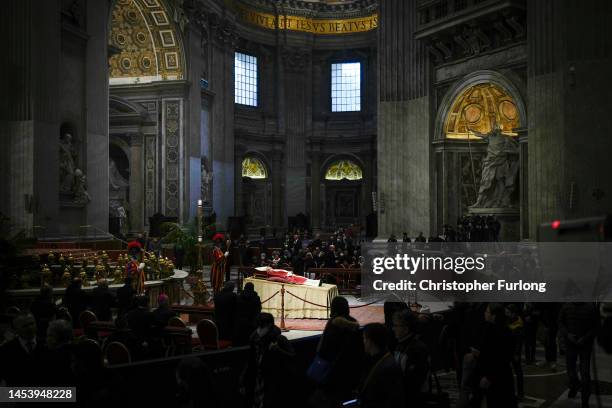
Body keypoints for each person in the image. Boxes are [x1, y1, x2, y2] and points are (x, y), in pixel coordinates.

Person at [309, 297, 363, 407]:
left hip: (331, 372)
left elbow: (324, 349)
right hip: (349, 372)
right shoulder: (354, 324)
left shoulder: (333, 324)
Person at [242, 313, 297, 408]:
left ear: (268, 326)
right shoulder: (254, 338)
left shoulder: (279, 339)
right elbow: (250, 360)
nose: (259, 330)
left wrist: (278, 350)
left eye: (261, 326)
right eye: (258, 326)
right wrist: (243, 379)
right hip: (258, 378)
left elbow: (293, 356)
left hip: (274, 379)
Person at [474, 303, 517, 408]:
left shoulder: (494, 332)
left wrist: (488, 376)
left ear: (494, 316)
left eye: (487, 312)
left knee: (497, 402)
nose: (485, 313)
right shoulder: (502, 330)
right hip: (502, 375)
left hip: (496, 377)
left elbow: (498, 358)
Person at [559, 302, 600, 408]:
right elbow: (560, 322)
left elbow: (596, 326)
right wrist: (568, 335)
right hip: (571, 343)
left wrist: (585, 338)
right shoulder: (566, 306)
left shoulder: (591, 307)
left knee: (585, 373)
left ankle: (585, 399)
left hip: (585, 345)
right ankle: (574, 386)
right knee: (571, 370)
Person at [359, 323, 406, 408]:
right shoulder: (381, 359)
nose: (363, 342)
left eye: (364, 338)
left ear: (370, 341)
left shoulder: (387, 368)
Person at [391, 310, 429, 404]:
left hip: (413, 400)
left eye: (396, 326)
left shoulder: (417, 349)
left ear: (406, 328)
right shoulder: (400, 345)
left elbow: (414, 383)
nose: (393, 329)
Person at [0, 314, 42, 386]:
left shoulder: (47, 344)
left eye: (32, 324)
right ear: (16, 329)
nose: (30, 328)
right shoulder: (6, 350)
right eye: (24, 326)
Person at [40, 319, 74, 386]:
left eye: (48, 336)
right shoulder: (78, 351)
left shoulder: (50, 359)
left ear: (54, 338)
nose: (46, 339)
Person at [233, 282, 261, 346]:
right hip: (251, 322)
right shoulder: (256, 298)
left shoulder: (238, 297)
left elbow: (235, 308)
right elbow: (258, 310)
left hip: (240, 321)